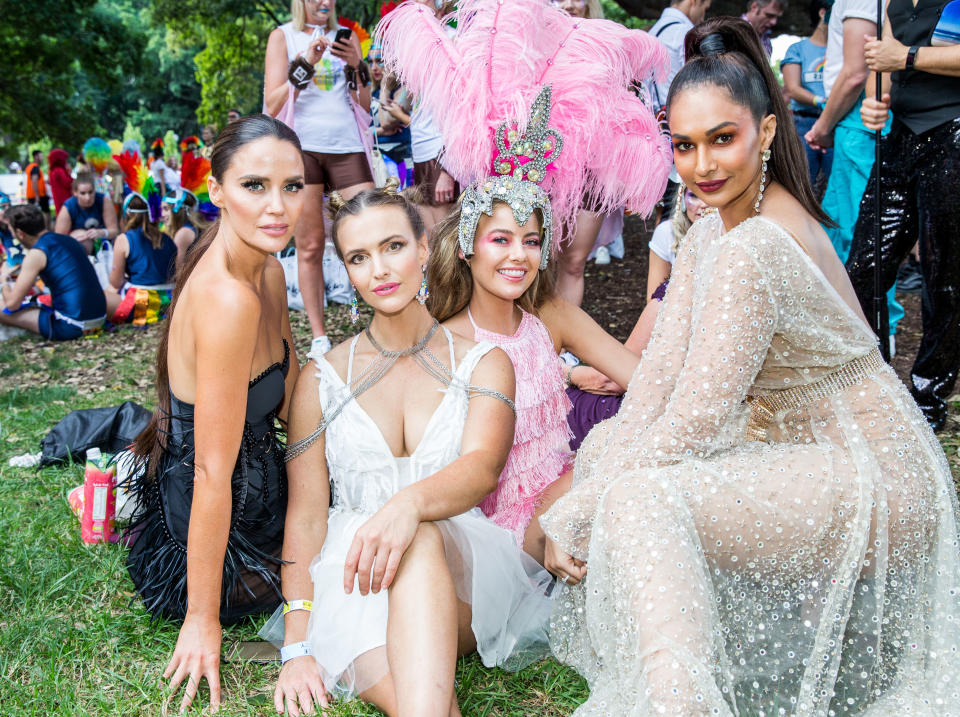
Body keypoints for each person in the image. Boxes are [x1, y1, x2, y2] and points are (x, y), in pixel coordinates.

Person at [540, 18, 960, 715]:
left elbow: (698, 419)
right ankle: (682, 679)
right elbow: (657, 390)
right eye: (684, 145)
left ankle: (681, 700)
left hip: (872, 468)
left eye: (722, 139)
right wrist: (589, 495)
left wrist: (584, 510)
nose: (702, 165)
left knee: (644, 496)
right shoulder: (709, 232)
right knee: (616, 446)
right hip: (796, 448)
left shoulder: (756, 244)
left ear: (766, 133)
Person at [380, 0, 670, 561]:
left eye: (532, 241)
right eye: (501, 239)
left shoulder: (553, 318)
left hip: (564, 504)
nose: (519, 257)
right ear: (466, 246)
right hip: (479, 537)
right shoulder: (438, 334)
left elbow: (641, 379)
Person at [269, 181, 553, 716]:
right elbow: (306, 518)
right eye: (359, 257)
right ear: (347, 272)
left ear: (424, 248)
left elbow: (482, 469)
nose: (379, 269)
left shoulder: (484, 363)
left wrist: (407, 506)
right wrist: (297, 644)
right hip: (352, 581)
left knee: (417, 539)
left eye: (393, 246)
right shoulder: (321, 379)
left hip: (457, 566)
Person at [122, 116, 302, 713]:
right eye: (255, 185)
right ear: (217, 191)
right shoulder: (227, 297)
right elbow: (210, 474)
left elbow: (291, 400)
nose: (278, 206)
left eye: (293, 186)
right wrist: (202, 620)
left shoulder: (269, 270)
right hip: (217, 526)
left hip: (265, 488)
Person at [843, 0, 960, 431]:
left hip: (953, 132)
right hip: (902, 138)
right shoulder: (891, 1)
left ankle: (928, 402)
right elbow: (887, 71)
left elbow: (900, 56)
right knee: (863, 267)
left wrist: (907, 57)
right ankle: (871, 387)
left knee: (944, 278)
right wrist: (878, 103)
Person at [264, 0, 374, 356]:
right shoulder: (283, 36)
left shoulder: (348, 36)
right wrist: (306, 64)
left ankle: (382, 317)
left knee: (371, 230)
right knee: (309, 245)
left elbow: (365, 102)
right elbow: (273, 102)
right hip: (302, 148)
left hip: (347, 145)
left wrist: (357, 63)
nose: (324, 2)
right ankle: (319, 336)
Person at [805, 0, 902, 348]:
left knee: (861, 233)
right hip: (862, 119)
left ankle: (876, 338)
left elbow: (857, 72)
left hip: (862, 118)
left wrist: (823, 125)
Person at [0, 204, 106, 340]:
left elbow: (12, 304)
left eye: (12, 232)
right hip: (99, 320)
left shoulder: (37, 253)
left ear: (20, 233)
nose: (13, 236)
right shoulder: (68, 239)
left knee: (2, 308)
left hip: (73, 326)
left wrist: (4, 281)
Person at [782, 0, 834, 188]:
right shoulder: (798, 49)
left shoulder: (841, 50)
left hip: (834, 122)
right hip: (804, 123)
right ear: (822, 13)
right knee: (803, 183)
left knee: (835, 184)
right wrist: (822, 101)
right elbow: (793, 89)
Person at [105, 194, 178, 326]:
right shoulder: (167, 238)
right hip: (169, 302)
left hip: (141, 303)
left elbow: (116, 282)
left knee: (100, 297)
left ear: (125, 215)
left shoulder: (124, 239)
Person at [53, 172, 119, 254]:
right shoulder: (68, 207)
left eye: (90, 192)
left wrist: (100, 232)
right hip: (79, 247)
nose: (87, 198)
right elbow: (59, 238)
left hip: (104, 247)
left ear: (95, 190)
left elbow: (114, 231)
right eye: (83, 193)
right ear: (75, 192)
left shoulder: (103, 201)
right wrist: (75, 237)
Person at [24, 150, 50, 222]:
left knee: (32, 213)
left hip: (32, 194)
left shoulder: (30, 167)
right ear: (36, 157)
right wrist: (37, 195)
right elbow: (34, 180)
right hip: (38, 195)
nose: (42, 158)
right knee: (46, 213)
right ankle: (46, 230)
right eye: (41, 156)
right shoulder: (35, 167)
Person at [47, 149, 73, 215]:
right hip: (65, 198)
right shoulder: (59, 170)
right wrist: (69, 173)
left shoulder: (52, 171)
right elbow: (68, 184)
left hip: (58, 199)